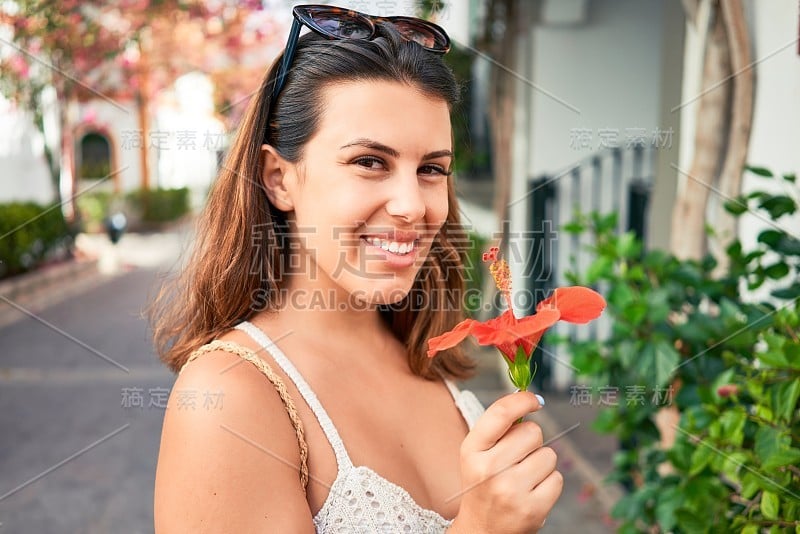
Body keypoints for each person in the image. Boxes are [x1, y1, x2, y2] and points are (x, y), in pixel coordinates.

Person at [152, 4, 562, 532]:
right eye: (370, 162)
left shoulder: (427, 359)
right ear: (278, 179)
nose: (412, 206)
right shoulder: (228, 398)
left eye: (432, 169)